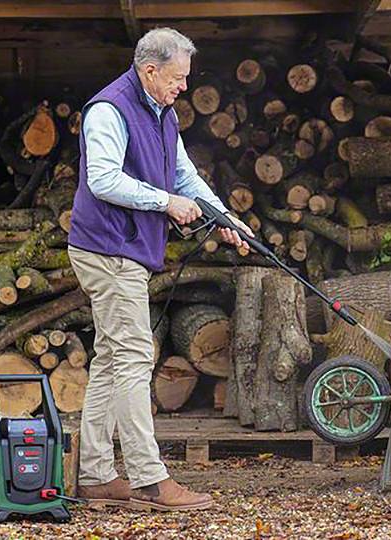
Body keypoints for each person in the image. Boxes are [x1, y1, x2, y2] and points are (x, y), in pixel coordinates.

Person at [67, 27, 252, 512]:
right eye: (178, 77)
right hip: (108, 249)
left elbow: (183, 174)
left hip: (125, 250)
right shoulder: (108, 109)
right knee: (132, 358)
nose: (185, 87)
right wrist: (165, 203)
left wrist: (224, 218)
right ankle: (150, 477)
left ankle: (95, 474)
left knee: (110, 358)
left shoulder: (162, 112)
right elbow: (103, 179)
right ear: (150, 70)